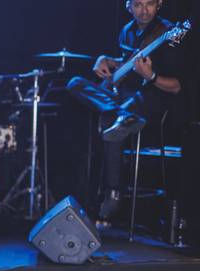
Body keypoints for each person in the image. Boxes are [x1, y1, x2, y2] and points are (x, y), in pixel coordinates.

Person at [67, 0, 182, 223]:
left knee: (112, 119)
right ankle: (121, 114)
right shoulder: (127, 31)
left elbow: (178, 86)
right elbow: (127, 63)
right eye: (138, 5)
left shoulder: (170, 33)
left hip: (153, 99)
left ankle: (113, 193)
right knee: (75, 83)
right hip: (124, 97)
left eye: (150, 4)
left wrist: (151, 76)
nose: (144, 10)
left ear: (159, 4)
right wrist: (105, 60)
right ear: (128, 7)